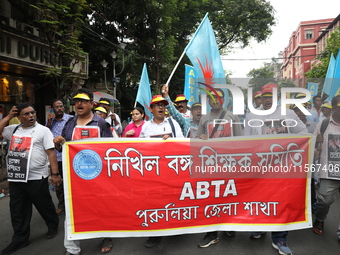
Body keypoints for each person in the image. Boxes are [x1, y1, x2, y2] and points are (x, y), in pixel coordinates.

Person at [244, 83, 308, 255]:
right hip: (261, 169)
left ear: (277, 97)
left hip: (284, 169)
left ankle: (279, 238)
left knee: (281, 202)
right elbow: (246, 141)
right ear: (261, 98)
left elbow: (303, 133)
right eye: (265, 96)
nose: (268, 100)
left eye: (271, 96)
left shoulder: (288, 114)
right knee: (261, 199)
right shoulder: (251, 116)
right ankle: (261, 226)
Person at [53, 88, 113, 255]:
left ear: (92, 104)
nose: (79, 103)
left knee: (101, 208)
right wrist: (58, 143)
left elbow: (110, 149)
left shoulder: (101, 124)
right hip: (74, 177)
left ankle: (107, 236)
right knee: (72, 211)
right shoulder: (70, 123)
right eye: (77, 101)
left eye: (84, 101)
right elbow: (63, 147)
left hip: (99, 177)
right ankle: (71, 248)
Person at [0, 103, 61, 255]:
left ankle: (53, 225)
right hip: (17, 178)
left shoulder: (43, 130)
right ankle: (20, 239)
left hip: (36, 177)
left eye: (33, 113)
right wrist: (8, 116)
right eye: (26, 114)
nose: (31, 116)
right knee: (17, 210)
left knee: (44, 205)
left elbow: (51, 153)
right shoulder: (13, 130)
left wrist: (55, 175)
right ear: (19, 117)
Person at [196, 88, 242, 248]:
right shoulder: (204, 119)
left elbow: (240, 141)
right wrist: (200, 138)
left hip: (229, 165)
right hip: (210, 166)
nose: (215, 101)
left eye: (218, 98)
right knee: (210, 199)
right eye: (211, 98)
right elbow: (197, 140)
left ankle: (229, 225)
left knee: (228, 197)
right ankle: (211, 234)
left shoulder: (232, 117)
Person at [139, 95, 183, 248]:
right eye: (157, 105)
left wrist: (171, 142)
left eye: (163, 105)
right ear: (151, 109)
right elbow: (139, 149)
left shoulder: (173, 123)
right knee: (153, 202)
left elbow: (182, 144)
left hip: (171, 171)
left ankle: (174, 227)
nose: (161, 108)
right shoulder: (145, 127)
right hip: (152, 173)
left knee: (172, 200)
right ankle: (155, 234)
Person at [312, 95, 340, 241]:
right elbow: (314, 147)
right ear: (334, 108)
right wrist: (317, 142)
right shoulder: (323, 124)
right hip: (329, 170)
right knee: (324, 201)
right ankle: (320, 219)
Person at [46, 99, 73, 216]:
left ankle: (72, 205)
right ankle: (62, 205)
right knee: (58, 183)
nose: (60, 108)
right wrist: (49, 122)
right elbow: (45, 134)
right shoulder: (50, 122)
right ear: (53, 109)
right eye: (57, 107)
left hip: (68, 156)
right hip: (55, 158)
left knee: (70, 182)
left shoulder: (71, 120)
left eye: (61, 106)